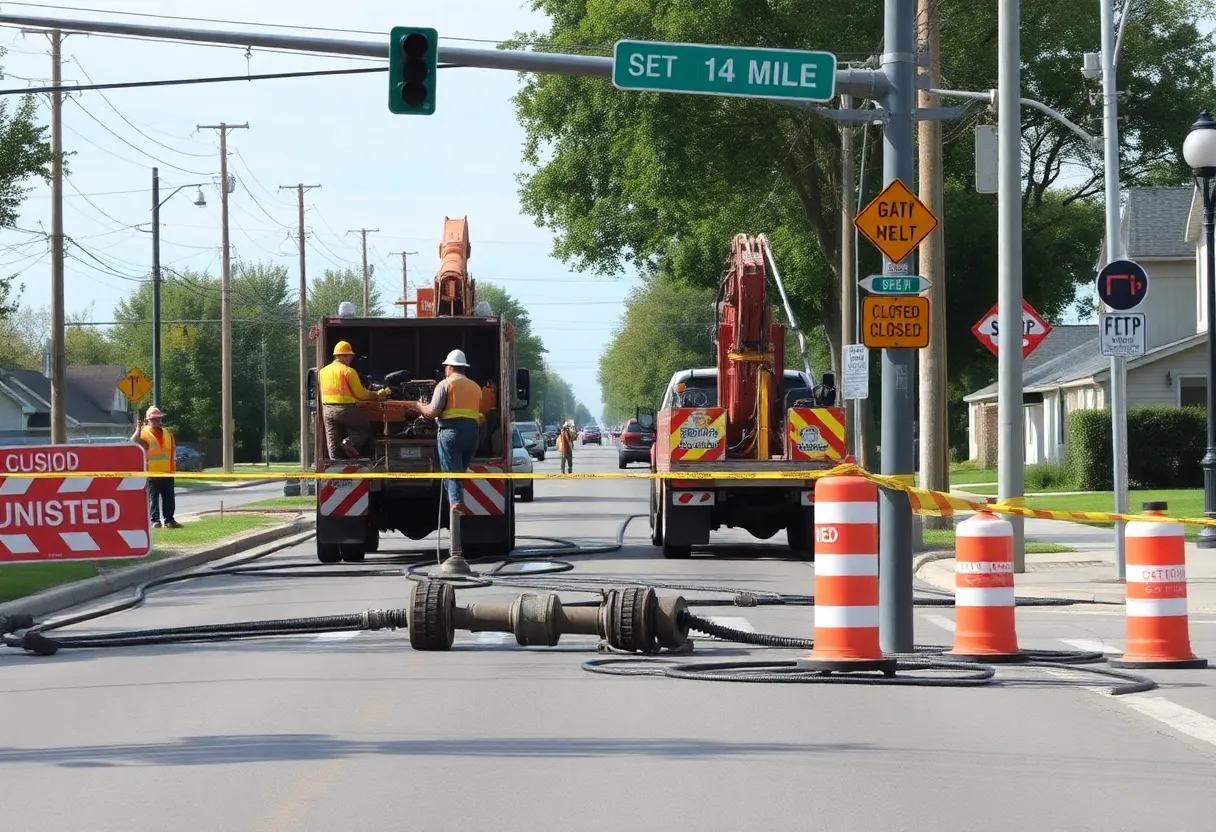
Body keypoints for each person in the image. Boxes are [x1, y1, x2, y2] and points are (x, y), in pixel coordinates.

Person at [417, 349, 483, 515]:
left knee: (452, 470)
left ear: (450, 367)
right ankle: (456, 499)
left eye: (445, 367)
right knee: (459, 471)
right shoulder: (476, 387)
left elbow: (433, 412)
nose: (445, 370)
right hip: (473, 434)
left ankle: (456, 502)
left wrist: (417, 406)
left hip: (451, 433)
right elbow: (480, 413)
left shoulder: (445, 384)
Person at [319, 340, 388, 459]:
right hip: (345, 408)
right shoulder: (348, 371)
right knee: (363, 428)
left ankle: (335, 463)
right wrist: (376, 394)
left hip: (327, 409)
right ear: (345, 356)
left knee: (333, 438)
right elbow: (361, 394)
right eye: (350, 356)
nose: (350, 359)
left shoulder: (322, 371)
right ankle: (349, 443)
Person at [130, 405, 181, 529]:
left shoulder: (167, 433)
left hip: (167, 472)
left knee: (169, 498)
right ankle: (155, 521)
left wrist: (173, 467)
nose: (156, 421)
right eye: (153, 419)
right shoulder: (144, 433)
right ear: (147, 420)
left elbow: (172, 452)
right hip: (152, 473)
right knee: (153, 498)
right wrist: (137, 431)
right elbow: (133, 442)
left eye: (158, 419)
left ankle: (169, 520)